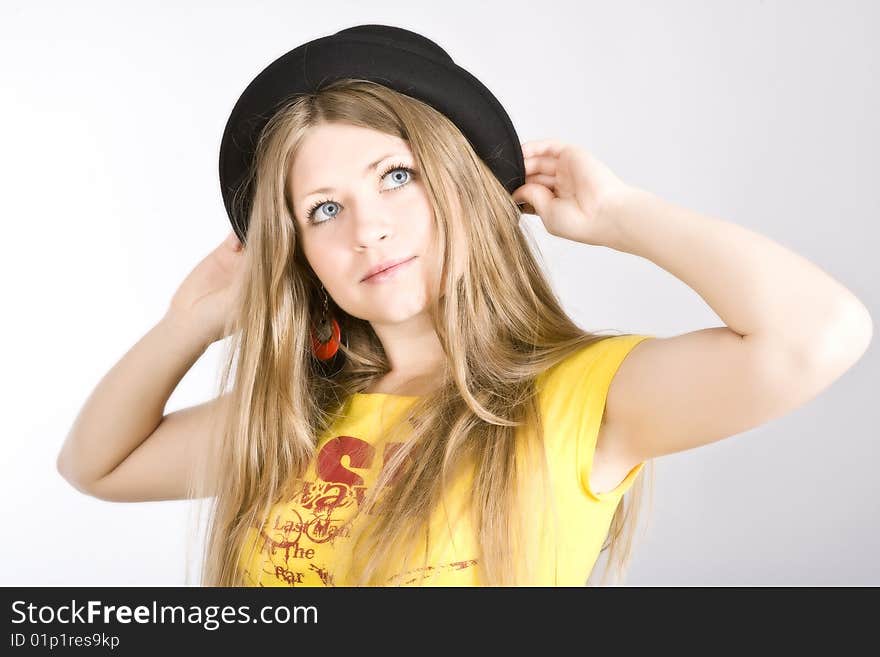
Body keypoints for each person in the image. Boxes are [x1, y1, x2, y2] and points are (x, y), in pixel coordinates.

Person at [56, 25, 873, 587]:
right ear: (302, 256)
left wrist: (623, 216)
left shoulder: (580, 396)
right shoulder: (294, 417)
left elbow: (820, 333)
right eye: (324, 210)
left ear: (459, 188)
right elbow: (95, 465)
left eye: (396, 177)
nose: (368, 229)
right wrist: (191, 322)